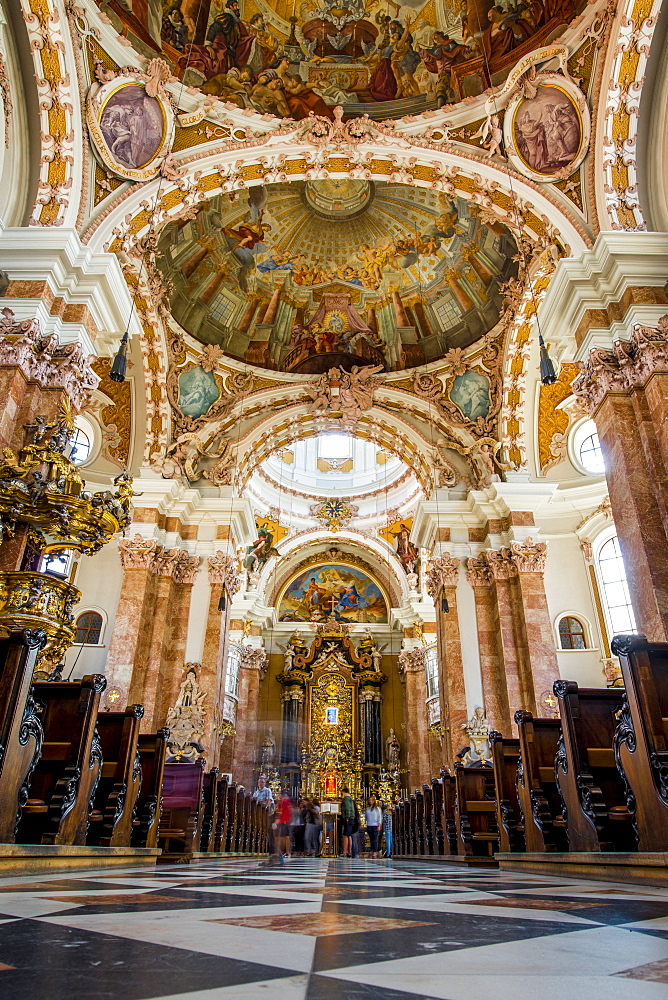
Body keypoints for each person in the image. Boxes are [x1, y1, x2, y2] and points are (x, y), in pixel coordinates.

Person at [252, 776, 274, 856]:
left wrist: (265, 809)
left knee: (266, 829)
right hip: (258, 812)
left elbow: (269, 800)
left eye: (262, 782)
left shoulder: (267, 790)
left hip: (265, 812)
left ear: (265, 783)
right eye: (259, 782)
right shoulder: (256, 792)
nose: (260, 784)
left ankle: (267, 848)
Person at [276, 789, 292, 861]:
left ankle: (287, 852)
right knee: (281, 836)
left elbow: (284, 811)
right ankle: (282, 851)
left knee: (286, 836)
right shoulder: (282, 802)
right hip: (282, 821)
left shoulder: (285, 801)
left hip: (285, 821)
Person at [340, 786, 355, 857]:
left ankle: (344, 852)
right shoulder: (350, 798)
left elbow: (347, 808)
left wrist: (347, 817)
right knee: (348, 835)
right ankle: (349, 851)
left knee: (345, 835)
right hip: (351, 818)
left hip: (348, 819)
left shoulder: (346, 799)